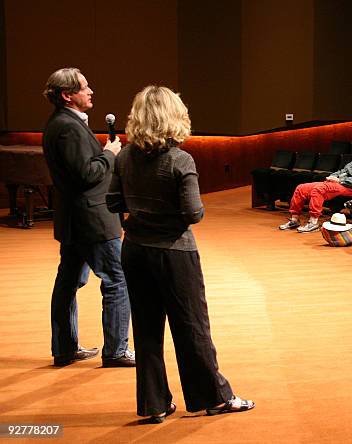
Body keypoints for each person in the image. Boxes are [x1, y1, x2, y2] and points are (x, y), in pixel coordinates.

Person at [107, 86, 254, 423]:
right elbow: (194, 213)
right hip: (174, 253)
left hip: (135, 249)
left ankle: (153, 404)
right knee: (192, 327)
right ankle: (214, 398)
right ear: (174, 117)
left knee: (146, 330)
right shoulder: (180, 159)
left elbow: (114, 203)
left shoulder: (124, 157)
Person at [42, 67, 134, 367]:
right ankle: (116, 351)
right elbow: (86, 174)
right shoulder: (67, 127)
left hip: (75, 219)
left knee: (68, 282)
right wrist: (110, 153)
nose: (91, 91)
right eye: (84, 87)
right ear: (68, 95)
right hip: (92, 220)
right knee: (117, 281)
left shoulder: (62, 123)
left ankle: (66, 348)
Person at [278, 145, 352, 233]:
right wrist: (332, 177)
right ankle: (294, 219)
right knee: (301, 188)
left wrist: (339, 180)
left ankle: (313, 222)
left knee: (319, 189)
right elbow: (341, 171)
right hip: (334, 183)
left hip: (347, 187)